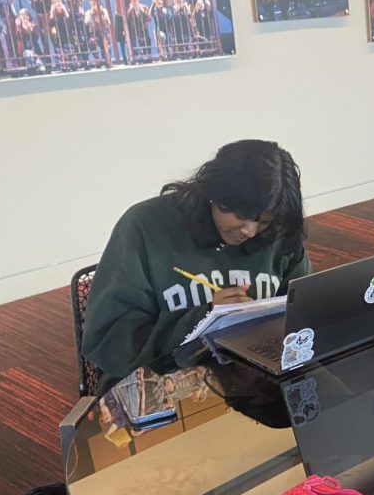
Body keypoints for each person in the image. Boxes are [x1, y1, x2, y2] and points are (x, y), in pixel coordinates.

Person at [82, 140, 311, 388]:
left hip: (252, 384)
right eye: (242, 216)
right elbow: (109, 343)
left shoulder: (279, 230)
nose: (250, 231)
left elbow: (307, 315)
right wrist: (202, 321)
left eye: (264, 222)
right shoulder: (144, 226)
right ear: (215, 194)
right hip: (158, 385)